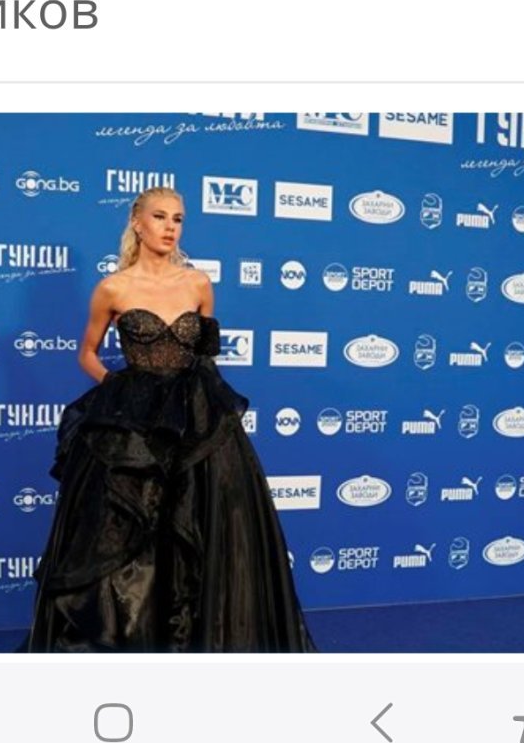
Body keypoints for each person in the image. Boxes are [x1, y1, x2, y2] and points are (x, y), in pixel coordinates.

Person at [25, 187, 314, 652]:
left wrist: (205, 413)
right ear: (137, 222)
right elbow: (87, 354)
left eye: (178, 219)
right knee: (126, 530)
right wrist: (119, 390)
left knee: (199, 527)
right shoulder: (112, 288)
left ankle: (196, 640)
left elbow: (205, 358)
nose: (170, 227)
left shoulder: (198, 283)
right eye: (160, 217)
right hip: (133, 427)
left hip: (194, 423)